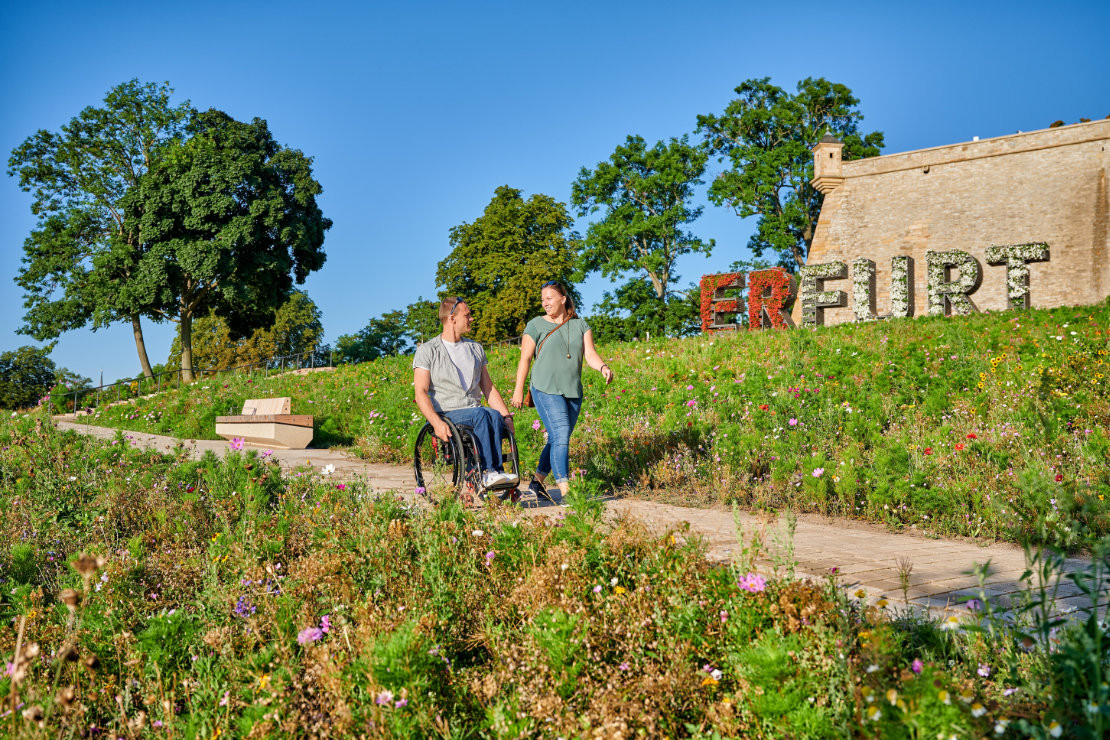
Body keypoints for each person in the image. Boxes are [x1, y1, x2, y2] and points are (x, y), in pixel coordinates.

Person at [511, 281, 614, 502]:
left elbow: (590, 355)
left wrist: (603, 367)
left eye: (549, 298)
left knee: (560, 436)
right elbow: (525, 358)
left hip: (572, 391)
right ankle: (566, 491)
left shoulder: (581, 325)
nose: (544, 303)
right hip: (544, 387)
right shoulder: (536, 324)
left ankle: (537, 482)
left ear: (563, 299)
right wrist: (518, 390)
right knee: (561, 434)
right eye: (542, 299)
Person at [413, 297, 517, 489]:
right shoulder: (428, 350)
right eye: (467, 315)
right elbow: (420, 392)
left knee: (493, 415)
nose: (472, 319)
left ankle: (496, 473)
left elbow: (488, 388)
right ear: (452, 318)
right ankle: (487, 473)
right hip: (448, 412)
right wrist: (436, 422)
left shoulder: (475, 348)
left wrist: (506, 416)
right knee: (482, 415)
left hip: (474, 411)